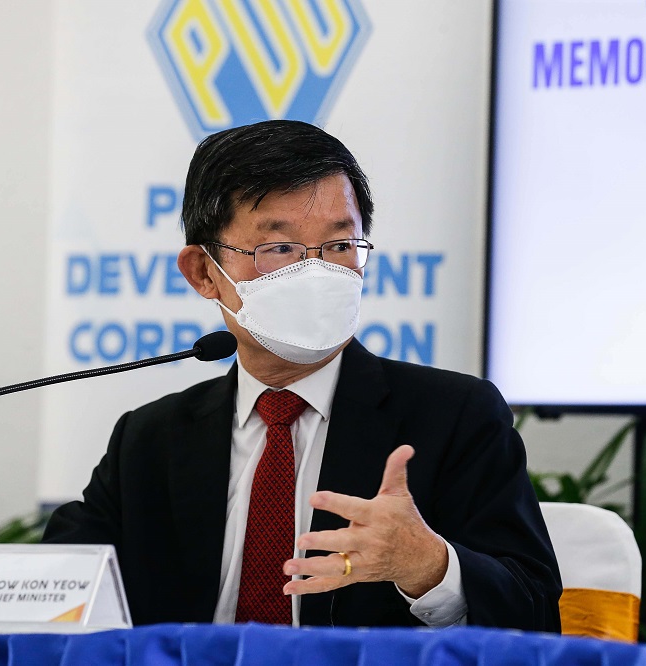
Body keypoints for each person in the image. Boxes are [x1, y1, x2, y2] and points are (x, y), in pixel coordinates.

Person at [43, 120, 562, 630]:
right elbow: (57, 591)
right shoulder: (150, 439)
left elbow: (536, 611)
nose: (317, 273)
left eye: (340, 247)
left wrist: (429, 567)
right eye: (280, 249)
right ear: (203, 273)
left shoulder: (454, 417)